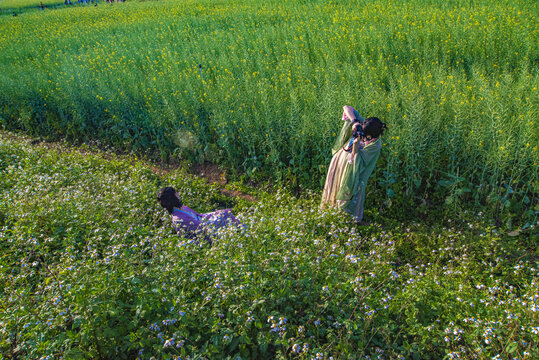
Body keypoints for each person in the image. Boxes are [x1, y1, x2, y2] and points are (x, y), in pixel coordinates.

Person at [321, 105, 386, 223]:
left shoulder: (375, 145)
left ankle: (347, 220)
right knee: (337, 184)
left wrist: (356, 143)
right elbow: (346, 107)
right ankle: (332, 211)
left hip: (355, 174)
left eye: (366, 136)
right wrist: (355, 122)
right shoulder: (364, 126)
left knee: (352, 191)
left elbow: (358, 160)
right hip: (340, 163)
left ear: (371, 136)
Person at [157, 186, 238, 244]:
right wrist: (218, 217)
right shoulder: (178, 218)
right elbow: (201, 228)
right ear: (173, 197)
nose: (178, 194)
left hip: (205, 225)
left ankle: (240, 234)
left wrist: (216, 213)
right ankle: (242, 235)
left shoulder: (182, 208)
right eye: (176, 193)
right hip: (202, 237)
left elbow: (201, 215)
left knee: (225, 214)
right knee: (227, 217)